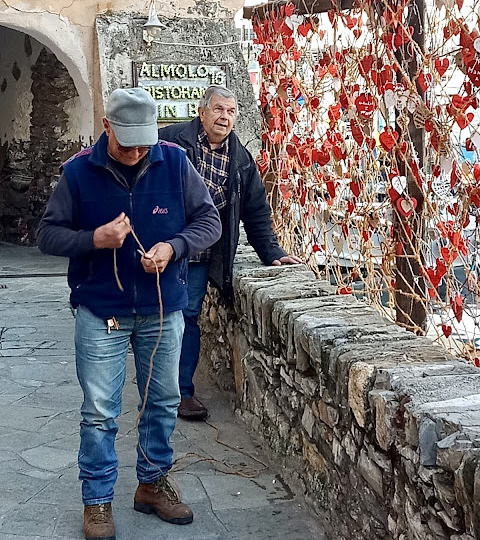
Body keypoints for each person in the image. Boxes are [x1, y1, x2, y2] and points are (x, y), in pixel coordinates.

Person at [37, 87, 221, 540]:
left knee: (163, 403)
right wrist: (93, 239)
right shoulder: (78, 172)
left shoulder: (174, 162)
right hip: (102, 312)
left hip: (162, 310)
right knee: (100, 412)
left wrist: (173, 247)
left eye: (145, 142)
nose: (138, 152)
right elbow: (47, 234)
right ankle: (97, 502)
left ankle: (152, 484)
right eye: (127, 143)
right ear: (106, 127)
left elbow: (209, 223)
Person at [158, 85, 302, 421]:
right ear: (202, 111)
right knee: (158, 318)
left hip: (200, 255)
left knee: (187, 318)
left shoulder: (240, 159)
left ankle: (181, 393)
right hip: (162, 248)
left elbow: (255, 210)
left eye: (231, 112)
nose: (225, 117)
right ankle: (157, 386)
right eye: (219, 110)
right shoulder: (171, 142)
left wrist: (272, 252)